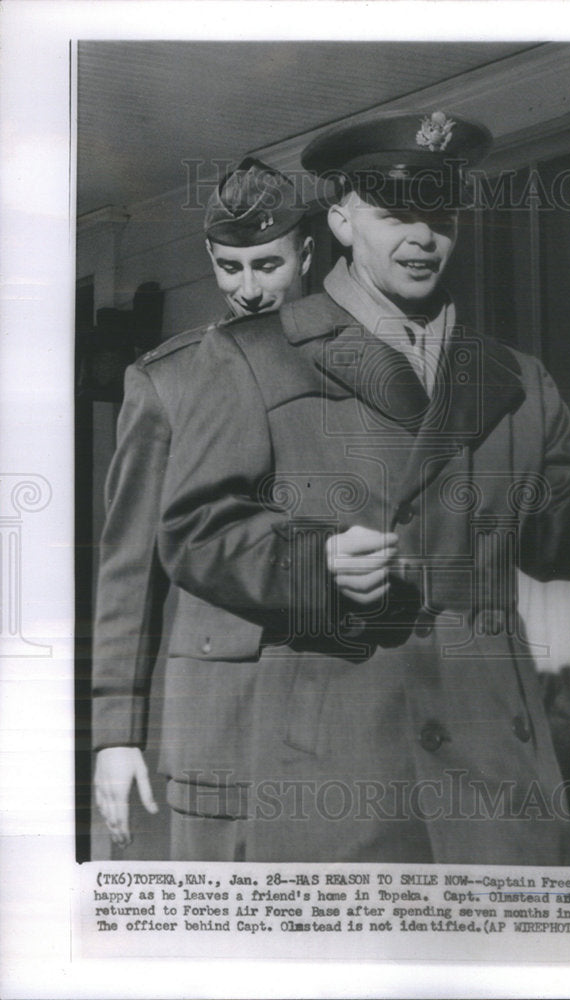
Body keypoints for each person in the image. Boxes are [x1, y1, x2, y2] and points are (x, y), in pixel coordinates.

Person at [157, 111, 570, 864]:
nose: (421, 236)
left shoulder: (516, 380)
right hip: (341, 770)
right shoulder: (253, 358)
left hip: (497, 777)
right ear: (339, 220)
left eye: (439, 212)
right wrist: (313, 565)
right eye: (394, 212)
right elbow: (195, 528)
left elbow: (552, 532)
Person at [92, 157, 313, 852]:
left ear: (306, 252)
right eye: (230, 268)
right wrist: (116, 733)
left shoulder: (361, 365)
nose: (248, 290)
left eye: (268, 266)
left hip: (342, 705)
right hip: (218, 718)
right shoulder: (169, 382)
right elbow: (129, 568)